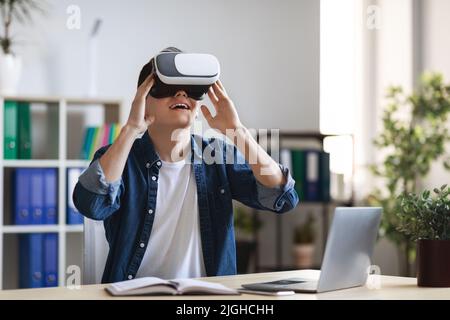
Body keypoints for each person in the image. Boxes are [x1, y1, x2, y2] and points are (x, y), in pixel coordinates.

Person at [73, 47, 299, 283]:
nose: (181, 94)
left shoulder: (217, 156)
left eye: (191, 89)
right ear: (143, 101)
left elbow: (282, 196)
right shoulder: (122, 159)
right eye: (167, 88)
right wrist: (130, 129)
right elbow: (92, 205)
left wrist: (237, 131)